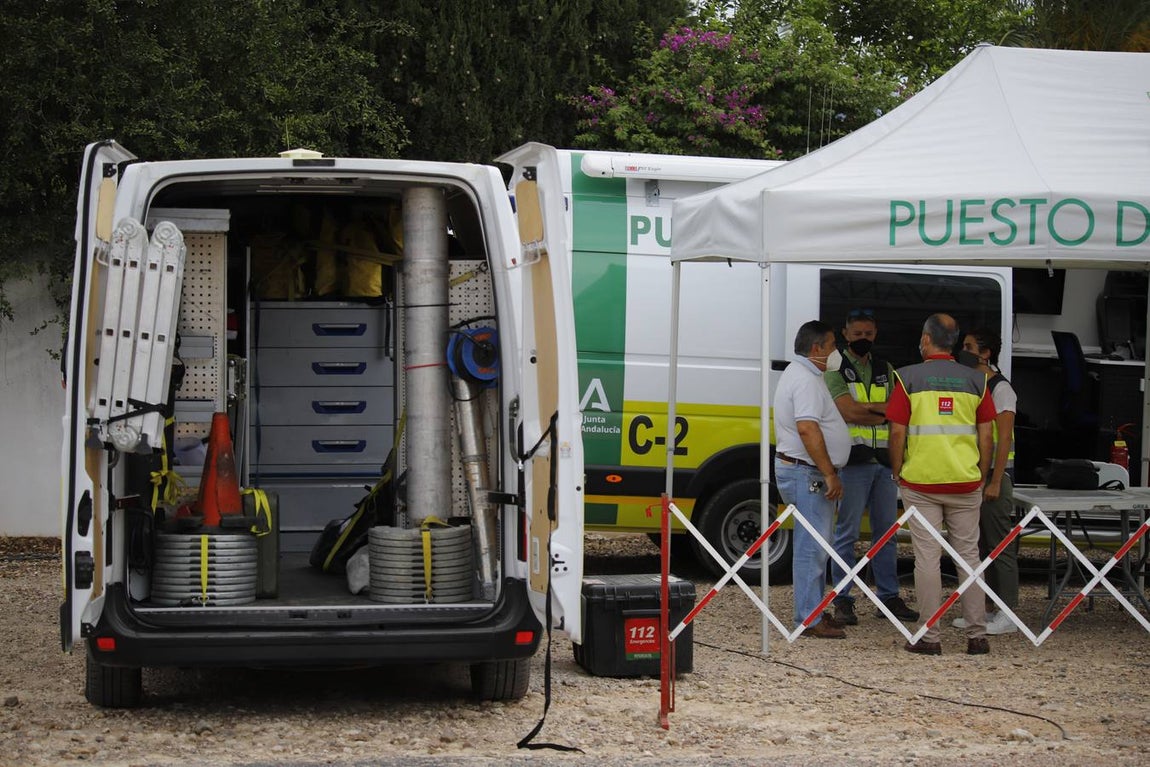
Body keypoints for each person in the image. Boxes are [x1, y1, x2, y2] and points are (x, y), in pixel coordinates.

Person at [887, 313, 996, 656]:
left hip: (921, 482)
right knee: (969, 558)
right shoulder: (977, 381)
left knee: (927, 559)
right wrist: (981, 473)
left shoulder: (906, 378)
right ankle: (977, 635)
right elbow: (987, 435)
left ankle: (929, 636)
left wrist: (897, 470)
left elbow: (897, 432)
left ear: (925, 339)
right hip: (965, 481)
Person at [824, 309, 919, 626]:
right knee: (846, 533)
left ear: (875, 334)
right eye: (857, 334)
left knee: (887, 533)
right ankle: (843, 598)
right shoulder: (835, 367)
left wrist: (869, 408)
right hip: (853, 461)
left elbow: (898, 409)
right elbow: (847, 411)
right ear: (845, 334)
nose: (863, 339)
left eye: (868, 334)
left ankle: (888, 597)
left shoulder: (885, 368)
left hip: (883, 462)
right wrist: (881, 411)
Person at [774, 320, 852, 639]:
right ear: (817, 348)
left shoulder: (805, 375)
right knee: (812, 547)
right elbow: (807, 428)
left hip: (806, 470)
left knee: (817, 544)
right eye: (832, 345)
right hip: (808, 472)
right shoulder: (805, 380)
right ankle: (808, 616)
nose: (836, 351)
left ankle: (813, 610)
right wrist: (829, 473)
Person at [952, 327, 1020, 635]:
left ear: (986, 353)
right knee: (978, 545)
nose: (963, 351)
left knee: (999, 544)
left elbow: (1003, 438)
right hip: (973, 474)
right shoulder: (972, 384)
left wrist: (994, 480)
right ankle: (987, 608)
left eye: (969, 346)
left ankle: (1008, 612)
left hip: (995, 475)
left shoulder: (1000, 388)